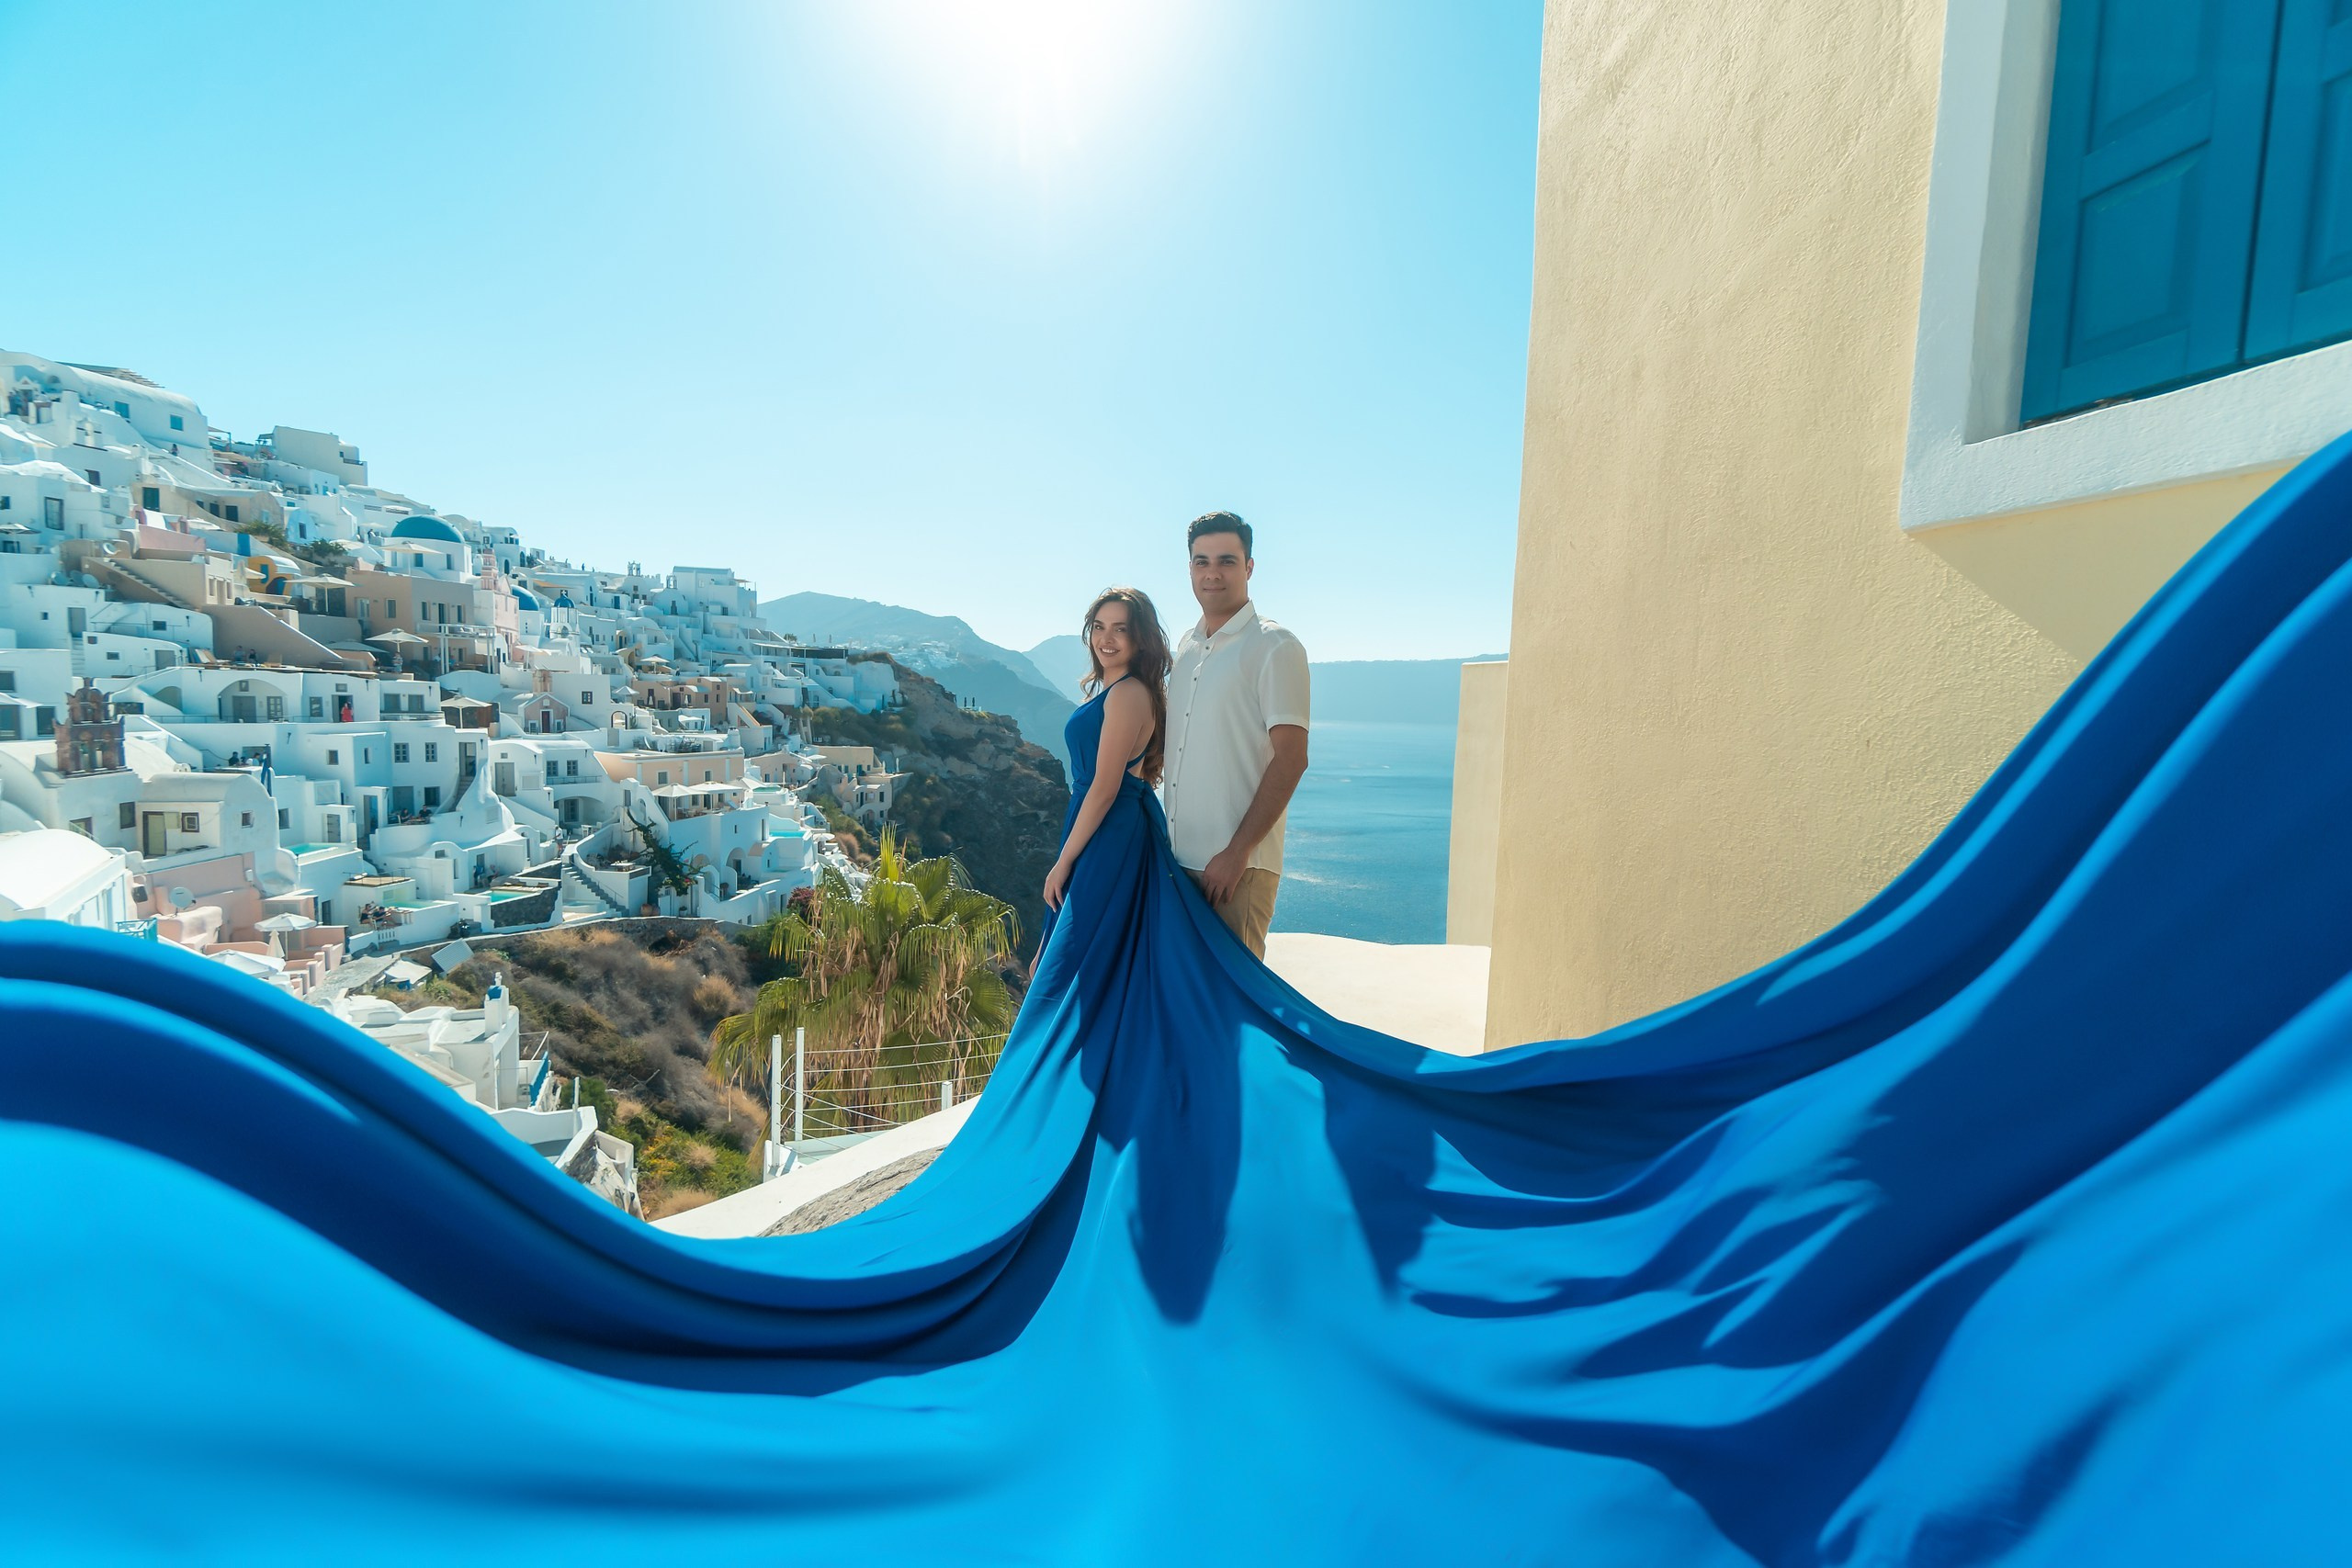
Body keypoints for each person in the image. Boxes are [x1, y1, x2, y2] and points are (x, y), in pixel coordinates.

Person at [1158, 511, 1308, 959]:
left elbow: (1291, 758)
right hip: (1176, 863)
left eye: (1226, 560)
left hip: (1234, 870)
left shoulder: (1275, 646)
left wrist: (1237, 852)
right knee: (1185, 1008)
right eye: (1201, 561)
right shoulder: (1186, 647)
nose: (1212, 573)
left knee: (1232, 1013)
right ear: (1189, 569)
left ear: (1249, 567)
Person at [1040, 585, 1167, 922]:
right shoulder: (1115, 691)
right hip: (1093, 823)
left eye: (1120, 629)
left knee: (1076, 952)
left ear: (1141, 638)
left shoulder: (1127, 693)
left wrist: (1064, 861)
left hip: (1107, 829)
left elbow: (1105, 788)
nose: (1106, 638)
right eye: (1099, 626)